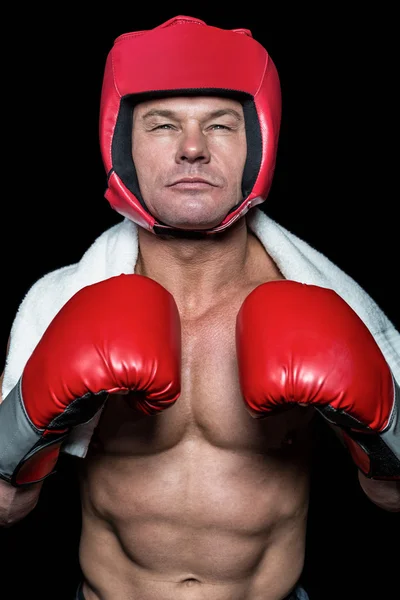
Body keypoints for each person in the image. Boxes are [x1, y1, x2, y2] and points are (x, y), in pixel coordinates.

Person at [0, 14, 399, 600]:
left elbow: (391, 498)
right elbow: (7, 511)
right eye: (163, 125)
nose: (193, 149)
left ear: (258, 143)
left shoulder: (328, 305)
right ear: (122, 144)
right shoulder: (57, 305)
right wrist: (23, 426)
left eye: (221, 124)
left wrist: (383, 432)